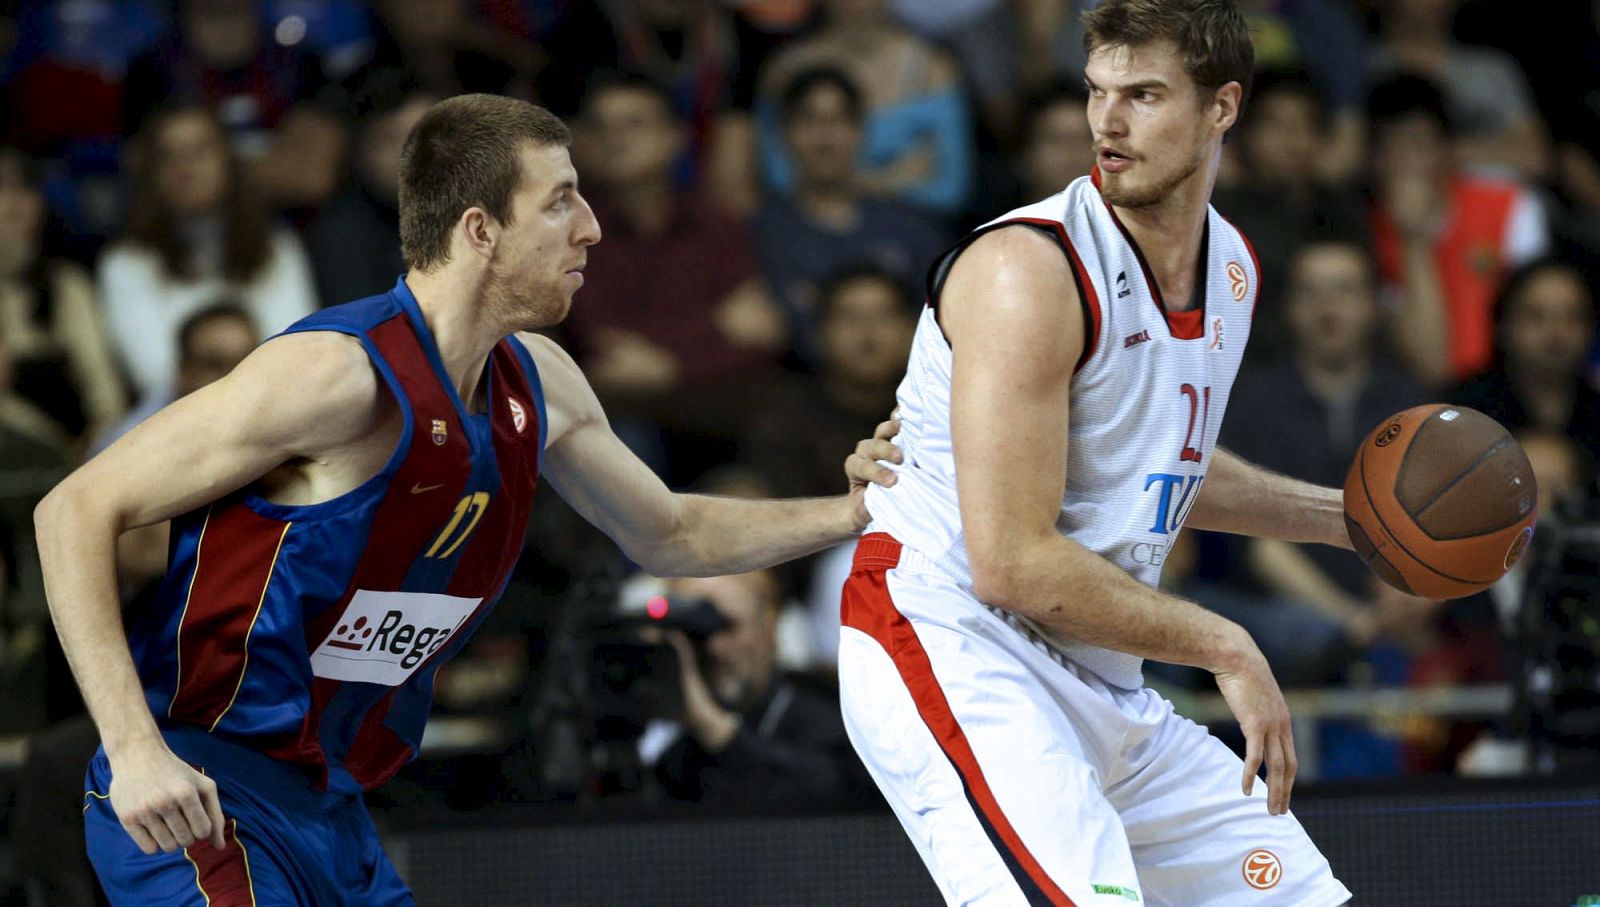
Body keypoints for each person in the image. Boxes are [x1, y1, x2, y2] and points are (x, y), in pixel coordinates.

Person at [36, 93, 900, 905]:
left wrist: (846, 512)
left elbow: (672, 530)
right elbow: (72, 510)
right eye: (561, 201)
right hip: (200, 785)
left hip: (335, 806)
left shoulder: (541, 381)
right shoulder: (335, 376)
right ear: (481, 229)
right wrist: (133, 747)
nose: (592, 228)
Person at [839, 1, 1353, 903]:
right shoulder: (1026, 270)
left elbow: (1160, 461)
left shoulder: (1231, 265)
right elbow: (1010, 561)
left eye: (1144, 95)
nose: (1107, 124)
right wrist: (1226, 644)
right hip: (956, 639)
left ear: (1222, 108)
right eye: (1097, 92)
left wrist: (1351, 522)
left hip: (1102, 671)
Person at [97, 105, 318, 399]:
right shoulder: (125, 263)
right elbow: (154, 375)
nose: (185, 167)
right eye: (169, 156)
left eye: (199, 151)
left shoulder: (277, 245)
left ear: (228, 159)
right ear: (151, 173)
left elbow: (299, 348)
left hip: (277, 405)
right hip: (176, 415)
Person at [753, 67, 947, 366]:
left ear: (861, 132)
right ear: (783, 134)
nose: (825, 137)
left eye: (840, 120)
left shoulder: (912, 229)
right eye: (809, 120)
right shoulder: (758, 234)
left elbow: (943, 331)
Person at [1366, 73, 1550, 388]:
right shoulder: (1364, 229)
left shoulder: (1511, 206)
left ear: (1447, 149)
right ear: (1373, 159)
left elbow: (1540, 319)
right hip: (1412, 395)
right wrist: (1413, 238)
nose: (1406, 163)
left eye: (1418, 144)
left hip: (1507, 389)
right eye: (1391, 149)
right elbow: (1427, 364)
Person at [646, 569, 874, 810]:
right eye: (694, 633)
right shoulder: (677, 751)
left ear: (770, 628)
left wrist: (715, 729)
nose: (712, 647)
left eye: (725, 625)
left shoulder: (831, 720)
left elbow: (833, 800)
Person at [1452, 258, 1600, 466]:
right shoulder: (1464, 413)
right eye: (1536, 316)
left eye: (1573, 317)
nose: (1557, 333)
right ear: (1503, 325)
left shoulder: (1595, 412)